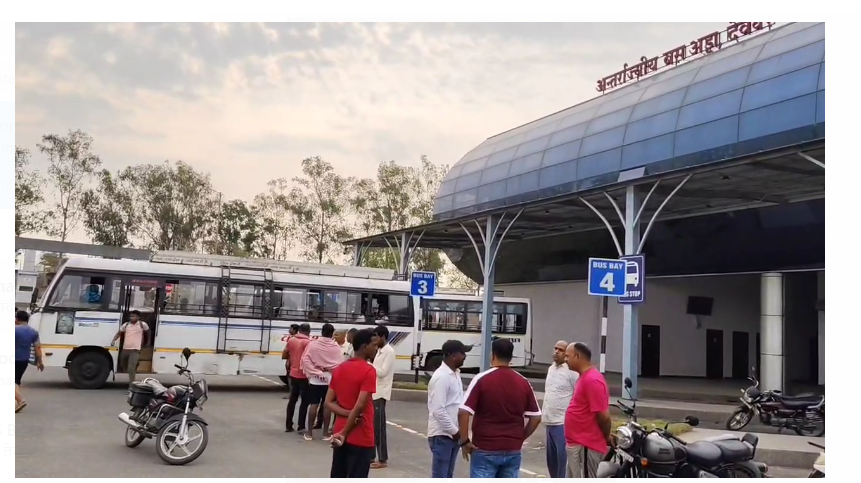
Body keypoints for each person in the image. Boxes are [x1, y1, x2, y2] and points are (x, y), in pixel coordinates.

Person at [458, 338, 542, 478]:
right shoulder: (523, 382)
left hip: (485, 448)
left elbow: (463, 412)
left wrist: (465, 441)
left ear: (493, 355)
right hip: (512, 449)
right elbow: (536, 417)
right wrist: (520, 437)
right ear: (511, 357)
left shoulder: (482, 379)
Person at [326, 328, 380, 478]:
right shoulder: (369, 371)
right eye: (374, 345)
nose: (376, 349)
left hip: (340, 432)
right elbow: (360, 405)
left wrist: (346, 415)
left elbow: (329, 402)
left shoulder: (340, 369)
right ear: (364, 347)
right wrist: (346, 430)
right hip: (360, 435)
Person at [564, 342, 611, 478]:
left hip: (586, 444)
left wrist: (606, 436)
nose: (565, 360)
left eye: (568, 356)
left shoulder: (592, 380)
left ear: (577, 356)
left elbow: (604, 416)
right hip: (577, 443)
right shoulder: (583, 377)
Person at [427, 340, 468, 478]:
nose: (465, 357)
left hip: (453, 434)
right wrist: (455, 432)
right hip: (442, 435)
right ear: (452, 355)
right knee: (440, 476)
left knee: (447, 476)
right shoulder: (441, 377)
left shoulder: (455, 373)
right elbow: (438, 410)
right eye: (462, 353)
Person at [543, 340, 580, 478]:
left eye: (561, 349)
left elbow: (578, 395)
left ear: (567, 354)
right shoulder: (551, 369)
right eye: (555, 348)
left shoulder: (572, 372)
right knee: (551, 463)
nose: (557, 351)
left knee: (563, 464)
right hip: (549, 422)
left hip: (563, 423)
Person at [301, 323, 343, 441]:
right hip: (330, 379)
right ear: (332, 333)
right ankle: (325, 434)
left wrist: (317, 371)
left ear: (322, 332)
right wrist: (328, 370)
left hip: (315, 379)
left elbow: (305, 360)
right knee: (327, 406)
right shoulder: (336, 347)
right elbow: (339, 364)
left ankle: (309, 433)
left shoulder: (313, 345)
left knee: (314, 404)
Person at [371, 324, 395, 469]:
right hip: (374, 392)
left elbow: (383, 372)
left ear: (383, 337)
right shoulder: (379, 351)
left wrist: (369, 365)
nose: (374, 340)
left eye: (376, 337)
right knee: (372, 427)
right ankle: (372, 456)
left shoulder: (389, 352)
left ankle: (382, 459)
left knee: (379, 427)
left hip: (381, 392)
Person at [285, 323, 312, 433]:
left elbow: (286, 353)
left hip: (293, 373)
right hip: (304, 375)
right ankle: (301, 426)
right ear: (309, 331)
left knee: (292, 400)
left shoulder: (291, 340)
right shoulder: (308, 343)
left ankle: (288, 425)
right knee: (304, 401)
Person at [15, 311, 44, 413]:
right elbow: (37, 348)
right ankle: (17, 402)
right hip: (24, 360)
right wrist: (39, 362)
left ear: (17, 318)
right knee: (16, 381)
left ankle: (20, 400)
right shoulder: (33, 332)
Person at [111, 310, 149, 382]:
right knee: (123, 365)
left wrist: (148, 342)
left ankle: (132, 385)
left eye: (133, 316)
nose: (131, 318)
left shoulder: (142, 324)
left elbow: (148, 332)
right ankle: (135, 364)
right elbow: (119, 333)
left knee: (131, 369)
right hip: (125, 349)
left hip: (135, 349)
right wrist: (113, 340)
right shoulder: (126, 325)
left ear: (138, 317)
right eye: (130, 316)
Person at [281, 324, 301, 398]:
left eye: (291, 329)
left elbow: (287, 351)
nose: (289, 330)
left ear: (295, 330)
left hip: (291, 361)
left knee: (291, 379)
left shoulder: (292, 339)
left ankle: (291, 394)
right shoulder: (301, 339)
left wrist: (285, 357)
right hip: (297, 361)